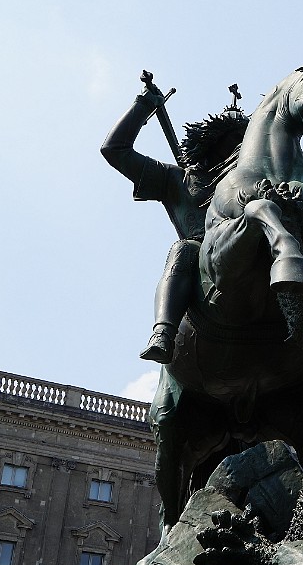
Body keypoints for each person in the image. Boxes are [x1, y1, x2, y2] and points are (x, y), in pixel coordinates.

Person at [101, 74, 247, 364]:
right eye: (236, 141)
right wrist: (143, 105)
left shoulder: (253, 182)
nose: (243, 150)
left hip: (250, 246)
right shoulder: (175, 178)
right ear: (216, 142)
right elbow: (114, 150)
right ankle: (163, 332)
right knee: (182, 250)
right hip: (201, 252)